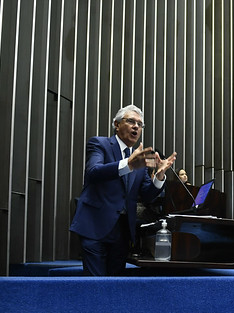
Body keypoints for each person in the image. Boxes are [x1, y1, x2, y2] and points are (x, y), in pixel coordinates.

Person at [70, 105, 177, 276]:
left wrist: (160, 176)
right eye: (131, 121)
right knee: (95, 283)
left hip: (122, 232)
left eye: (140, 124)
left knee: (115, 283)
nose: (136, 127)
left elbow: (147, 195)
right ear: (117, 124)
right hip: (95, 226)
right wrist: (128, 164)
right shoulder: (99, 144)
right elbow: (93, 172)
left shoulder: (141, 159)